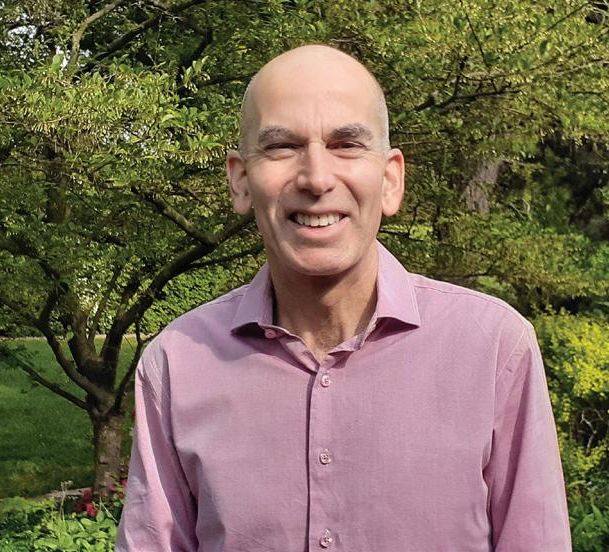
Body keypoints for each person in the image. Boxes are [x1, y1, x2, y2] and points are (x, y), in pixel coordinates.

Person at [116, 44, 571, 551]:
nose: (316, 178)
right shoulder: (178, 365)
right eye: (282, 146)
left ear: (391, 179)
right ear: (241, 181)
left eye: (347, 145)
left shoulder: (492, 350)